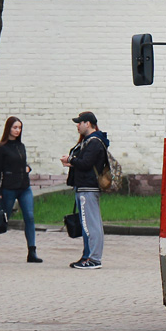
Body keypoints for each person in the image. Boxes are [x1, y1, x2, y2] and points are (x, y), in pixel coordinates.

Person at [0, 116, 41, 263]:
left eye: (19, 128)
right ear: (8, 128)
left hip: (24, 187)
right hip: (9, 188)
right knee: (3, 219)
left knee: (30, 217)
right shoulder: (1, 148)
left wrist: (27, 168)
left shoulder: (21, 146)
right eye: (15, 127)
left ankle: (32, 251)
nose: (17, 130)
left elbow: (22, 163)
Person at [61, 111, 108, 270]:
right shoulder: (90, 141)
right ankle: (88, 256)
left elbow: (86, 163)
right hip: (84, 186)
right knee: (89, 223)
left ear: (88, 123)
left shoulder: (94, 142)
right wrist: (72, 162)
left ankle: (94, 258)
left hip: (88, 187)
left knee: (90, 225)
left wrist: (71, 160)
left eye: (79, 123)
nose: (77, 126)